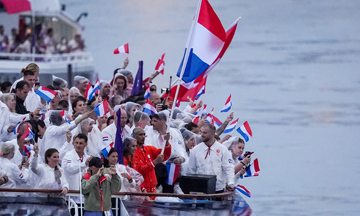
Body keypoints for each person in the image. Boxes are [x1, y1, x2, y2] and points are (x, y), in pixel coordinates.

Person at [187, 124, 235, 193]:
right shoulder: (195, 150)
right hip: (201, 189)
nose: (202, 135)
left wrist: (230, 183)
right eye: (201, 132)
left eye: (205, 133)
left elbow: (228, 168)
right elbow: (191, 170)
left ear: (212, 134)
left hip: (218, 189)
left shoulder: (223, 149)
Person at [132, 127, 171, 195]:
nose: (143, 137)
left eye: (144, 134)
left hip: (153, 190)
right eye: (140, 135)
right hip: (141, 192)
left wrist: (166, 142)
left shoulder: (149, 149)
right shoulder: (133, 152)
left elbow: (164, 155)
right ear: (134, 136)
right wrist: (154, 162)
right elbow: (139, 171)